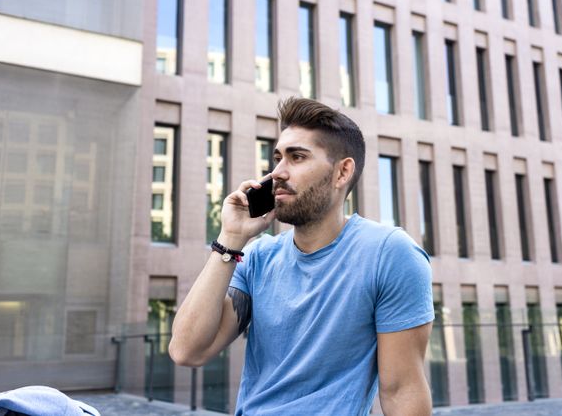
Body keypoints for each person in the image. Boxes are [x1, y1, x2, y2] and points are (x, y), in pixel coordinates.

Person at [169, 98, 434, 415]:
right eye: (277, 158)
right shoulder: (256, 257)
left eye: (297, 157)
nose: (277, 173)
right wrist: (231, 237)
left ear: (342, 172)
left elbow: (402, 390)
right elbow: (187, 351)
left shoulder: (389, 254)